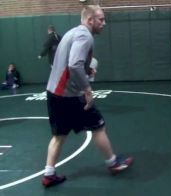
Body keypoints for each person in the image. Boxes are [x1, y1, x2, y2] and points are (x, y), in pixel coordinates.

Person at [42, 5, 133, 188]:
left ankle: (49, 174)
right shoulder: (85, 35)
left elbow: (71, 64)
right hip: (70, 95)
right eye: (101, 19)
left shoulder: (71, 33)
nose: (104, 23)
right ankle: (113, 163)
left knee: (59, 135)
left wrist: (86, 70)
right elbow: (75, 65)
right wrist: (87, 89)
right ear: (90, 20)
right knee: (98, 126)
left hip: (54, 94)